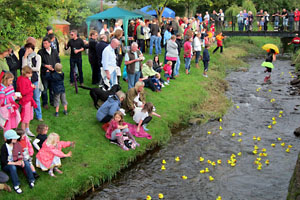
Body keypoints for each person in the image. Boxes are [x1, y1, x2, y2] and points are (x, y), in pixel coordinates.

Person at [1, 130, 35, 194]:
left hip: (16, 161)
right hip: (7, 164)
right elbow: (4, 161)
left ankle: (31, 180)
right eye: (14, 138)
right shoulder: (4, 147)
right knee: (12, 168)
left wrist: (21, 160)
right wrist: (15, 163)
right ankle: (16, 185)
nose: (16, 139)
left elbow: (20, 154)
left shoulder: (17, 144)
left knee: (26, 163)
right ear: (10, 139)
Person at [23, 43, 43, 121]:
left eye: (29, 49)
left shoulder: (37, 57)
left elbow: (37, 68)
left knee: (36, 98)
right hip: (26, 81)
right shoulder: (24, 57)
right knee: (28, 98)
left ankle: (39, 115)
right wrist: (25, 56)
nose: (27, 50)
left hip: (35, 79)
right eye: (26, 49)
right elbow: (23, 68)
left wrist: (29, 69)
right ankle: (29, 115)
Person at [38, 37, 60, 109]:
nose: (44, 45)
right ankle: (45, 103)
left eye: (46, 43)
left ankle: (52, 102)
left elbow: (58, 61)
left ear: (50, 44)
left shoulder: (54, 51)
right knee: (44, 88)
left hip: (53, 73)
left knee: (52, 88)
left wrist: (55, 68)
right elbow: (39, 63)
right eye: (43, 43)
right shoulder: (40, 52)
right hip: (45, 73)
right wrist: (46, 66)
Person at [16, 66, 37, 137]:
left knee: (29, 115)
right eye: (30, 73)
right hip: (25, 100)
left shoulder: (27, 79)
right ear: (26, 73)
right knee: (24, 117)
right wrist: (31, 88)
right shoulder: (22, 80)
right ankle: (23, 132)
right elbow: (23, 91)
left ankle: (27, 129)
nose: (31, 74)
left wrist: (31, 87)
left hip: (29, 99)